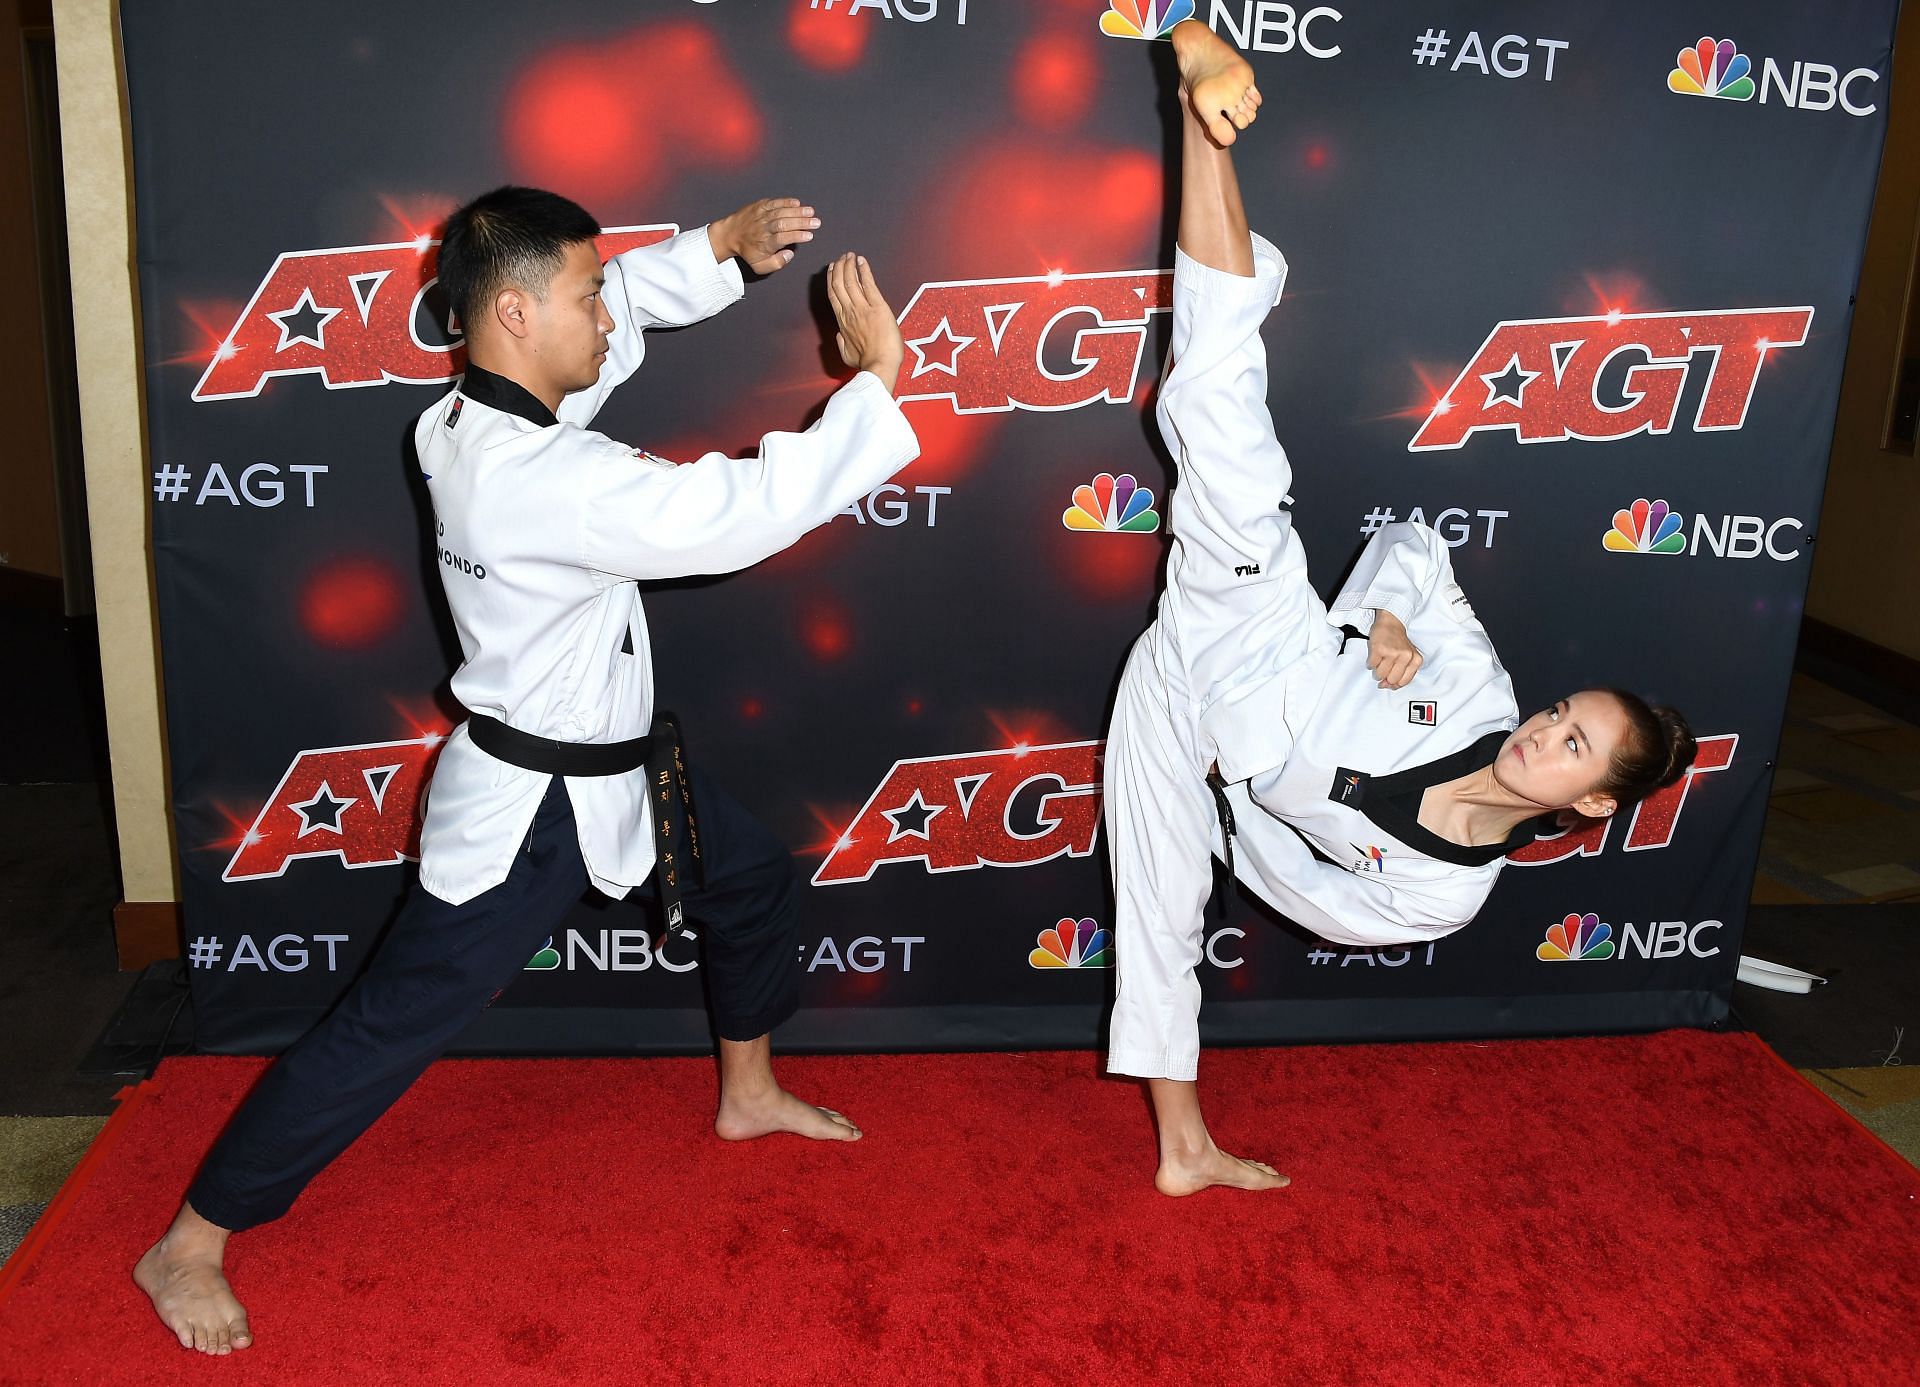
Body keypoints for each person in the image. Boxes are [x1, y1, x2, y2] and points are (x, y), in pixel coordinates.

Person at [135, 188, 917, 1353]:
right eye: (586, 294)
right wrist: (879, 382)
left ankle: (747, 1092)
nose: (608, 313)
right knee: (392, 1022)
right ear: (511, 312)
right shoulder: (532, 478)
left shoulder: (474, 416)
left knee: (748, 884)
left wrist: (718, 250)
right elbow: (738, 511)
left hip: (627, 775)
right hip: (533, 810)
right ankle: (187, 1240)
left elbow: (618, 330)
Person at [1105, 21, 1696, 1197]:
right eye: (1565, 711)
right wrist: (1375, 615)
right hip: (1260, 628)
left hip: (1201, 738)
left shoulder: (1440, 898)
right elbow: (1417, 547)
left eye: (1571, 745)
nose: (1544, 729)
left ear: (1584, 808)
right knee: (1218, 409)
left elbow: (1295, 886)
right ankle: (1198, 98)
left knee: (1160, 914)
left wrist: (1228, 807)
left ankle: (1184, 1150)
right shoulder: (1478, 689)